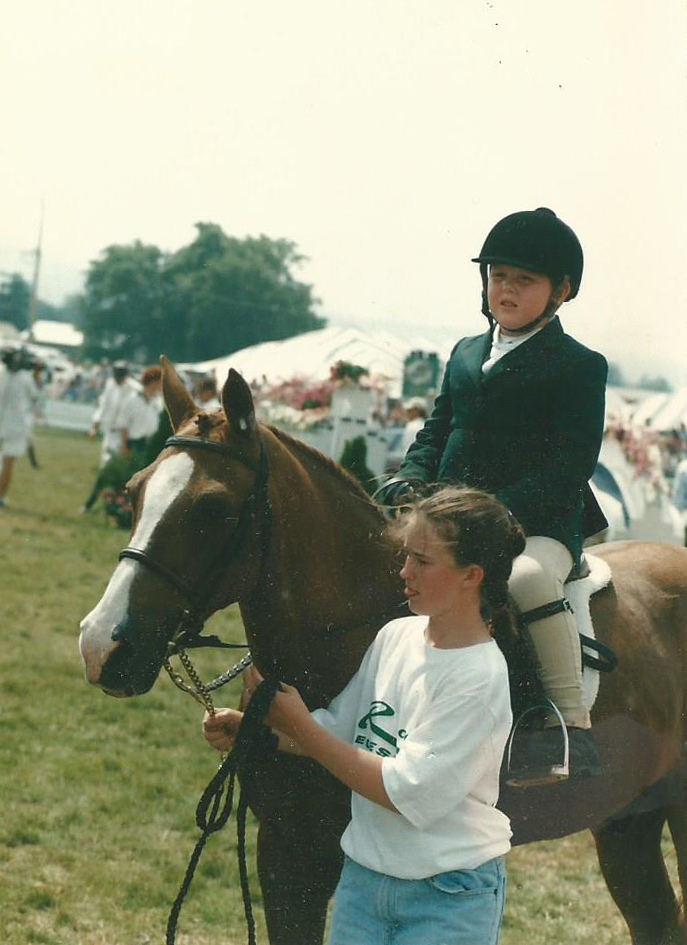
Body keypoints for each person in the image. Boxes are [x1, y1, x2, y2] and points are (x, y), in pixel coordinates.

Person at [204, 486, 524, 945]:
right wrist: (260, 731)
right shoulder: (396, 636)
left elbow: (406, 792)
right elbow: (341, 732)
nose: (404, 571)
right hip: (363, 886)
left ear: (471, 576)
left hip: (447, 899)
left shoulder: (478, 676)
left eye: (422, 561)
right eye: (406, 555)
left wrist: (298, 724)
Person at [376, 208, 608, 786]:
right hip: (447, 521)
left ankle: (568, 727)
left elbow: (570, 466)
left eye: (523, 280)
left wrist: (497, 512)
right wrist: (411, 475)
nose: (505, 289)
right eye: (498, 276)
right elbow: (436, 430)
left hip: (537, 524)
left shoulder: (579, 366)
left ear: (561, 291)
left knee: (525, 581)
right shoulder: (463, 352)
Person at [0, 347, 41, 508]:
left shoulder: (6, 374)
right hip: (15, 425)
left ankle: (1, 496)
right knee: (8, 463)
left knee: (7, 462)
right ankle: (1, 496)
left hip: (13, 425)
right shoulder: (24, 377)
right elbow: (36, 396)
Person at [118, 365, 163, 459]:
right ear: (153, 382)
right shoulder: (132, 400)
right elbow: (123, 425)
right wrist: (124, 446)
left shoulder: (158, 401)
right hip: (134, 444)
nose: (161, 386)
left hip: (151, 444)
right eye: (160, 382)